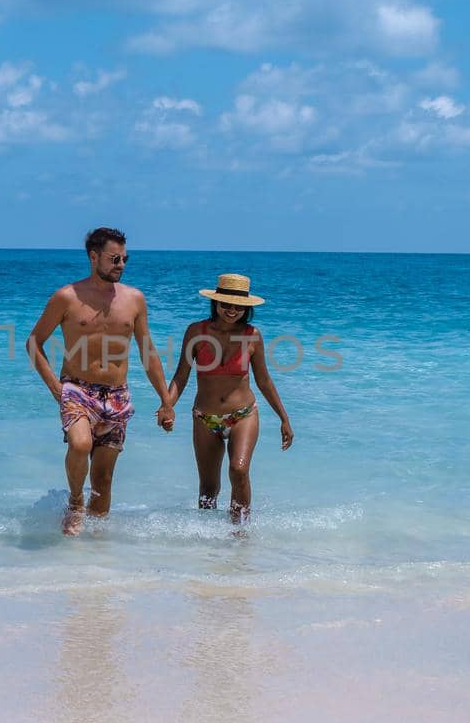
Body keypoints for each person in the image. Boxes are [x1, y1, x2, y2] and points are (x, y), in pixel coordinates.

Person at [26, 227, 175, 533]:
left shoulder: (134, 299)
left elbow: (148, 351)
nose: (121, 264)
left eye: (125, 259)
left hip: (117, 395)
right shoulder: (66, 297)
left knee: (104, 483)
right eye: (114, 258)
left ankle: (96, 558)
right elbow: (34, 342)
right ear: (94, 257)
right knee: (80, 445)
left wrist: (166, 401)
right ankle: (75, 500)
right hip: (77, 390)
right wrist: (57, 388)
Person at [167, 272, 294, 523]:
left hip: (243, 414)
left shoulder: (252, 335)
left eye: (238, 306)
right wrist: (166, 405)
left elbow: (264, 380)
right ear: (215, 303)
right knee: (208, 488)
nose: (232, 310)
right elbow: (181, 375)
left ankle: (240, 534)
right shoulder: (196, 331)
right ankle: (208, 539)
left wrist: (284, 418)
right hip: (204, 417)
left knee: (238, 469)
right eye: (226, 304)